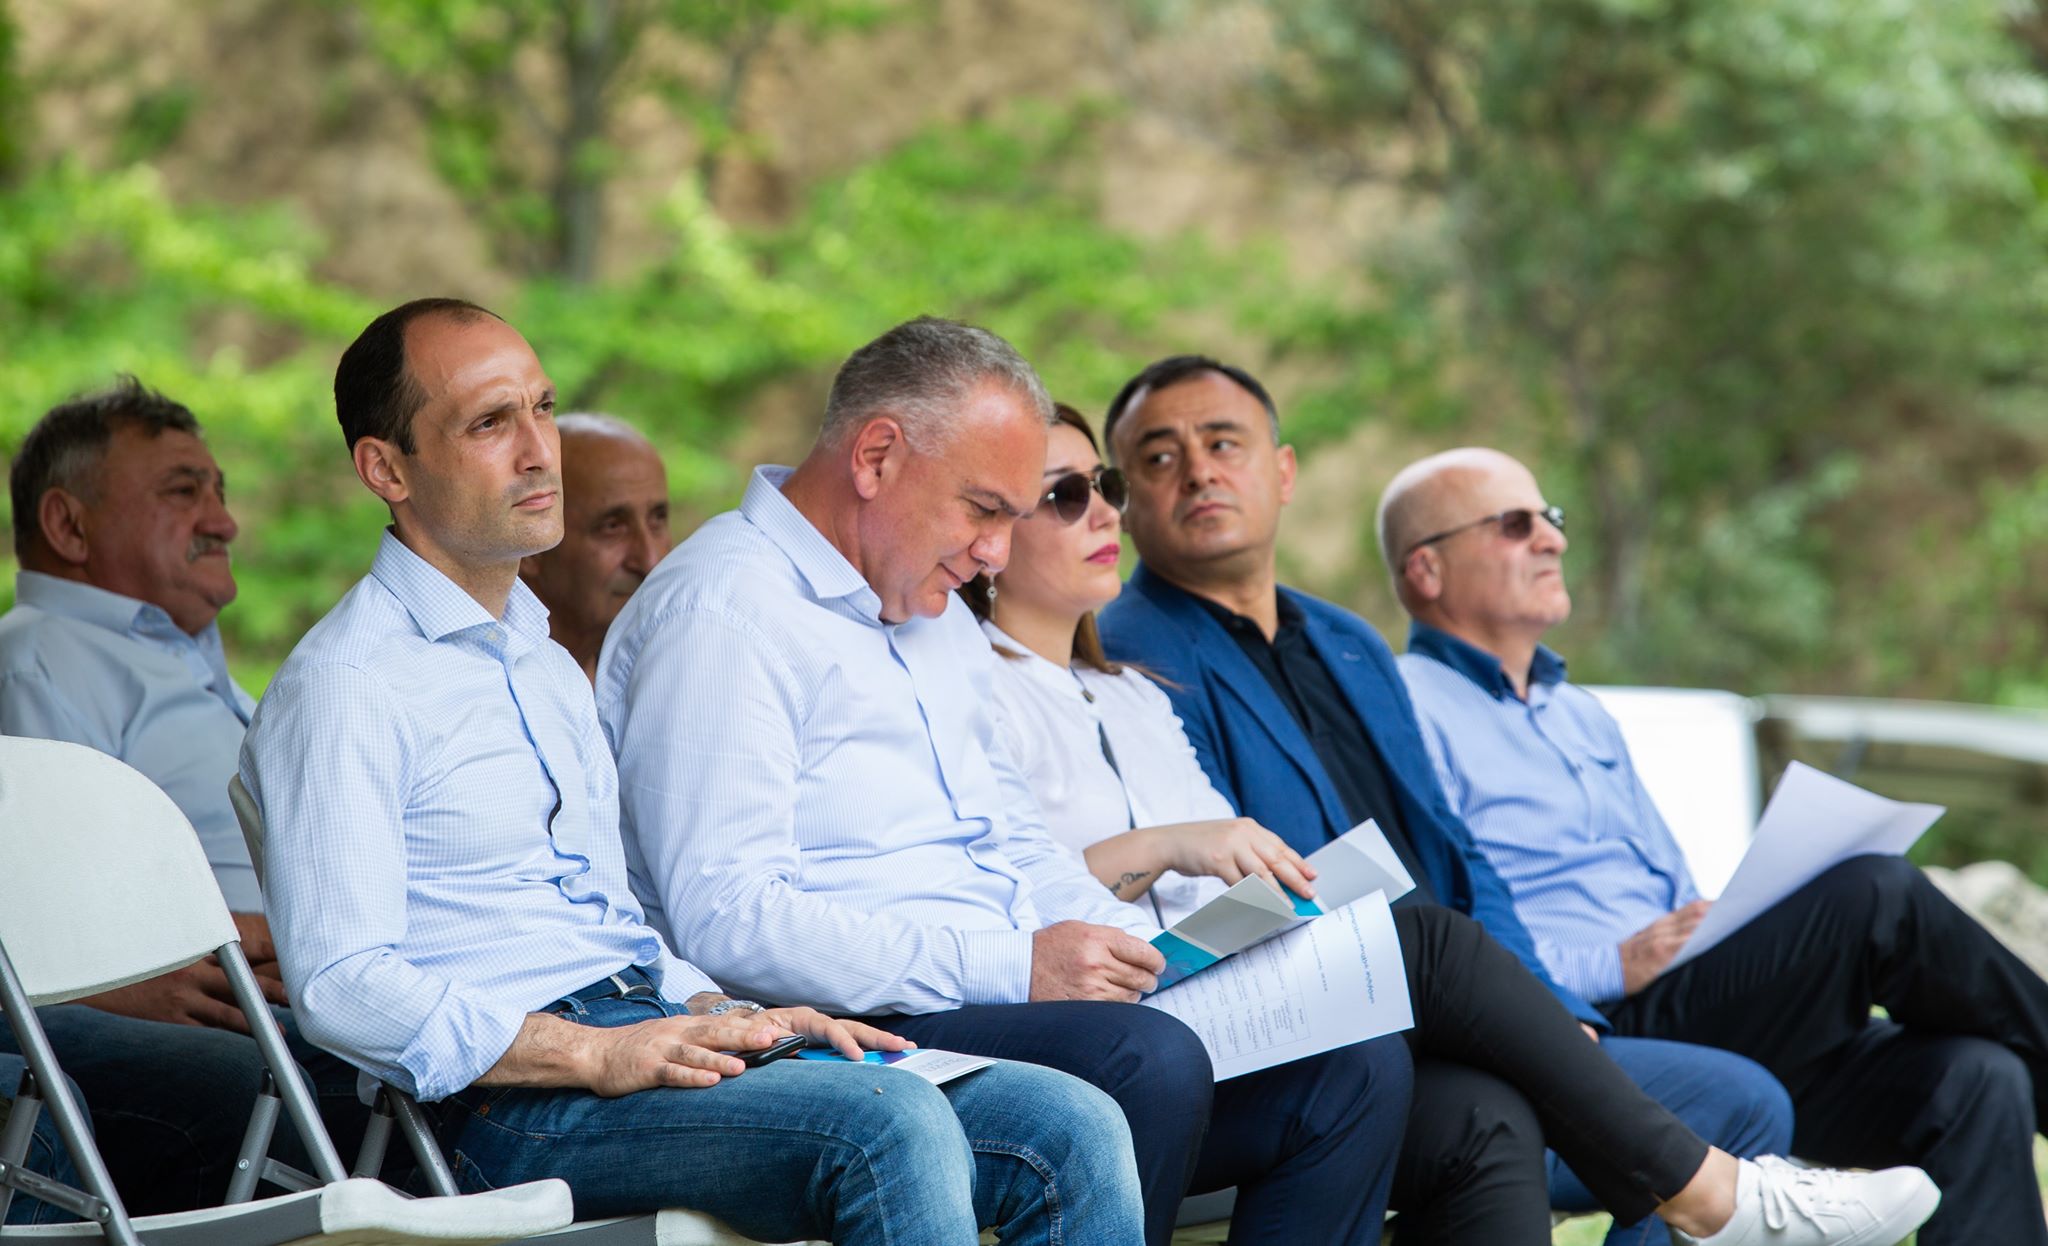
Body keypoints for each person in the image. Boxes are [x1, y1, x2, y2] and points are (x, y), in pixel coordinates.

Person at [240, 297, 1144, 1246]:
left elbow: (607, 920)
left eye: (543, 409)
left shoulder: (540, 662)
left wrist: (735, 1012)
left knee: (1070, 1126)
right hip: (503, 1106)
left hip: (649, 1031)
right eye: (489, 423)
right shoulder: (347, 682)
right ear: (386, 468)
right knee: (893, 1126)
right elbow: (342, 983)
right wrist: (592, 1053)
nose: (539, 451)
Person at [976, 402, 1941, 1246]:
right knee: (1426, 941)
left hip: (1218, 988)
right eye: (1067, 495)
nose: (1105, 512)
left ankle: (1710, 1187)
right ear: (991, 530)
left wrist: (1278, 895)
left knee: (1486, 1115)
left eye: (1104, 486)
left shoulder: (1139, 695)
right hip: (1125, 1017)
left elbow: (1444, 848)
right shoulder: (973, 692)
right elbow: (1005, 895)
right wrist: (1167, 847)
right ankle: (1709, 1194)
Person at [598, 316, 1413, 1246]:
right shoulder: (724, 610)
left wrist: (1143, 954)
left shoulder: (936, 612)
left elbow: (1012, 839)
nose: (996, 553)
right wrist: (1018, 966)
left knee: (1354, 1070)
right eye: (984, 510)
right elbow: (728, 917)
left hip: (1005, 997)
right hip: (847, 1024)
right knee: (1145, 1058)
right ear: (876, 457)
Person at [1383, 445, 2048, 1246]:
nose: (1553, 539)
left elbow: (1666, 886)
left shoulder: (1578, 712)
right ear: (1426, 569)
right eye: (1515, 525)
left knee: (1979, 1077)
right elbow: (1438, 937)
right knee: (1878, 891)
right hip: (1591, 1026)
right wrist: (1609, 964)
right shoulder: (1403, 712)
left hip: (1700, 998)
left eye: (1550, 519)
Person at [0, 378, 359, 1212]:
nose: (224, 521)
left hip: (294, 980)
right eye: (183, 492)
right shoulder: (38, 656)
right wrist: (223, 941)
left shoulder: (191, 663)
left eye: (220, 492)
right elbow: (42, 907)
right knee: (389, 1070)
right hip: (224, 1000)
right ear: (68, 525)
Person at [518, 412, 671, 680]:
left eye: (657, 520)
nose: (651, 561)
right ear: (531, 549)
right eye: (612, 527)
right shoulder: (485, 688)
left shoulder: (665, 675)